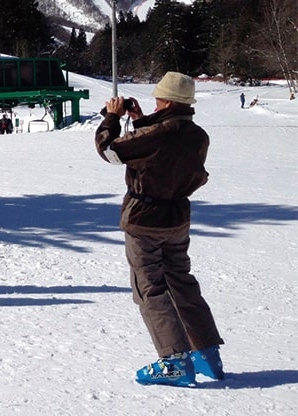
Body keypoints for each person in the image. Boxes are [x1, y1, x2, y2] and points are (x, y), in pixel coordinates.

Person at [95, 72, 224, 387]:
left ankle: (175, 361)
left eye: (157, 99)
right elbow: (161, 149)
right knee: (182, 282)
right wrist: (140, 120)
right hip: (177, 217)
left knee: (150, 288)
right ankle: (206, 354)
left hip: (145, 219)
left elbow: (110, 150)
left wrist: (112, 118)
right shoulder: (198, 135)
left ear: (165, 100)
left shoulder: (160, 133)